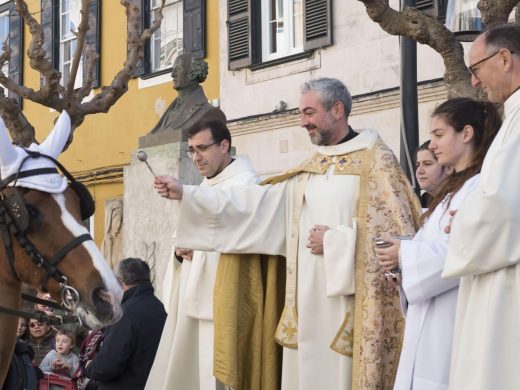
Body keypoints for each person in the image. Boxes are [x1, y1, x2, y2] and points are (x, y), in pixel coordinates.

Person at [154, 78, 420, 390]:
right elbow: (251, 205)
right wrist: (187, 194)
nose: (302, 122)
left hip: (350, 311)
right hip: (305, 310)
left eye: (309, 112)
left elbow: (398, 240)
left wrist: (336, 242)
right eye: (300, 113)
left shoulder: (377, 164)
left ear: (338, 109)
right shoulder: (308, 170)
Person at [376, 98, 501, 390]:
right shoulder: (452, 192)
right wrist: (403, 267)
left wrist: (404, 253)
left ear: (466, 134)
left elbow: (463, 252)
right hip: (431, 316)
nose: (431, 144)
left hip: (451, 319)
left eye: (439, 134)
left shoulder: (478, 189)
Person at [146, 119, 268, 390]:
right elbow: (187, 239)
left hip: (224, 306)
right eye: (191, 150)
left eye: (202, 148)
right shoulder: (205, 187)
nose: (196, 157)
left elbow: (238, 226)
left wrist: (187, 198)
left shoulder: (248, 184)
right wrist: (179, 253)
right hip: (193, 302)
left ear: (224, 145)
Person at [442, 23, 520, 390]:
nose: (474, 82)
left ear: (504, 59)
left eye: (476, 70)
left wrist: (460, 221)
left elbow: (503, 209)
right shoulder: (512, 121)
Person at [85, 258, 166, 390]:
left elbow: (107, 366)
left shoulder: (123, 314)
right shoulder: (159, 308)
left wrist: (89, 367)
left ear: (120, 282)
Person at [139, 52, 227, 147]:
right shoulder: (171, 109)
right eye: (173, 70)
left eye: (178, 69)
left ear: (193, 73)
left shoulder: (211, 113)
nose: (173, 75)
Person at [415, 140, 450, 207]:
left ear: (448, 167)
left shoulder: (461, 197)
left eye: (427, 164)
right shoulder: (422, 201)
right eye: (417, 165)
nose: (420, 171)